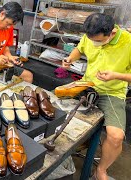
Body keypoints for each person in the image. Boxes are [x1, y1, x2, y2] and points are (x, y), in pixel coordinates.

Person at [63, 13, 131, 180]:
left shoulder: (128, 42)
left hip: (111, 92)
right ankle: (72, 148)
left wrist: (116, 75)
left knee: (116, 137)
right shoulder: (91, 35)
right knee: (55, 108)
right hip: (87, 85)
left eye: (99, 41)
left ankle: (101, 170)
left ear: (112, 33)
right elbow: (80, 49)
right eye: (92, 40)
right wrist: (70, 59)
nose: (95, 43)